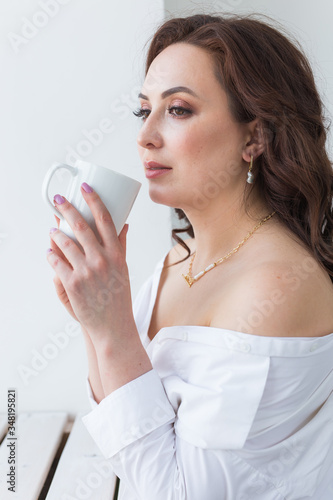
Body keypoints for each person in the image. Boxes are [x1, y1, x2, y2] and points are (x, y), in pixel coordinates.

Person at [46, 13, 333, 499]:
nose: (145, 136)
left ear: (254, 137)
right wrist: (93, 319)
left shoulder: (277, 286)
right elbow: (124, 442)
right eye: (144, 110)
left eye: (178, 109)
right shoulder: (178, 261)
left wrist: (111, 328)